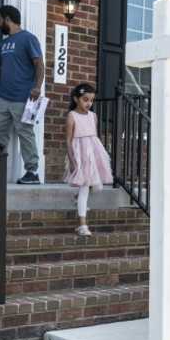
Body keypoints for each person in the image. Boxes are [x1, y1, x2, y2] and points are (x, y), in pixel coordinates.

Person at [0, 5, 45, 184]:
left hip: (23, 97)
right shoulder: (4, 43)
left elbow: (39, 63)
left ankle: (32, 172)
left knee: (25, 133)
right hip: (3, 97)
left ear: (7, 19)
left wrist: (37, 87)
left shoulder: (28, 38)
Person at [65, 83, 112, 237]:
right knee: (85, 186)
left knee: (96, 186)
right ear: (76, 99)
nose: (88, 103)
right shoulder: (72, 116)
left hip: (93, 152)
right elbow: (69, 140)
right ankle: (82, 225)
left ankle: (78, 198)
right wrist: (72, 160)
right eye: (85, 100)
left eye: (91, 100)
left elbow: (94, 136)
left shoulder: (93, 116)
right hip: (79, 153)